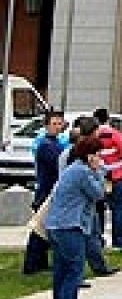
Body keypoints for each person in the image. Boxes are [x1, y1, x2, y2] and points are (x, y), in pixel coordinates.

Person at [45, 138, 106, 299]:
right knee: (74, 269)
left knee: (61, 270)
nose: (100, 158)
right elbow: (98, 193)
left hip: (56, 225)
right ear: (89, 156)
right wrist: (100, 172)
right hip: (70, 226)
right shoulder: (83, 172)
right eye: (97, 154)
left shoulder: (71, 170)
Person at [23, 111, 68, 275]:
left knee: (44, 231)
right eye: (54, 124)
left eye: (59, 123)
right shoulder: (45, 146)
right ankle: (31, 264)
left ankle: (40, 263)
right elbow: (58, 165)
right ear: (47, 125)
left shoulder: (57, 143)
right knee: (39, 230)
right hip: (45, 191)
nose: (57, 127)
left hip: (52, 190)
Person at [92, 108, 122, 250]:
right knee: (118, 208)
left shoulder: (94, 135)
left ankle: (99, 239)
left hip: (99, 176)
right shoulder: (114, 134)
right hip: (116, 175)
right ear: (107, 118)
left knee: (99, 209)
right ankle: (119, 240)